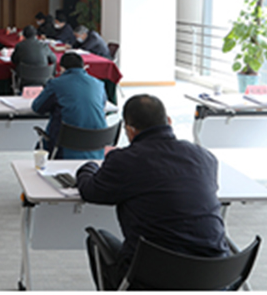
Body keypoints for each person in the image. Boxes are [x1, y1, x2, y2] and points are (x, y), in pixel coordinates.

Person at [75, 94, 229, 290]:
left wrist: (87, 168)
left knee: (97, 241)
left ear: (130, 130)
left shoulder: (125, 161)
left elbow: (91, 191)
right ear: (169, 121)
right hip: (213, 277)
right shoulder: (204, 157)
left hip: (153, 278)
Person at [31, 53, 108, 159]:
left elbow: (37, 107)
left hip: (66, 145)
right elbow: (102, 105)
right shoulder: (99, 84)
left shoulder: (56, 84)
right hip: (97, 144)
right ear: (83, 66)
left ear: (62, 69)